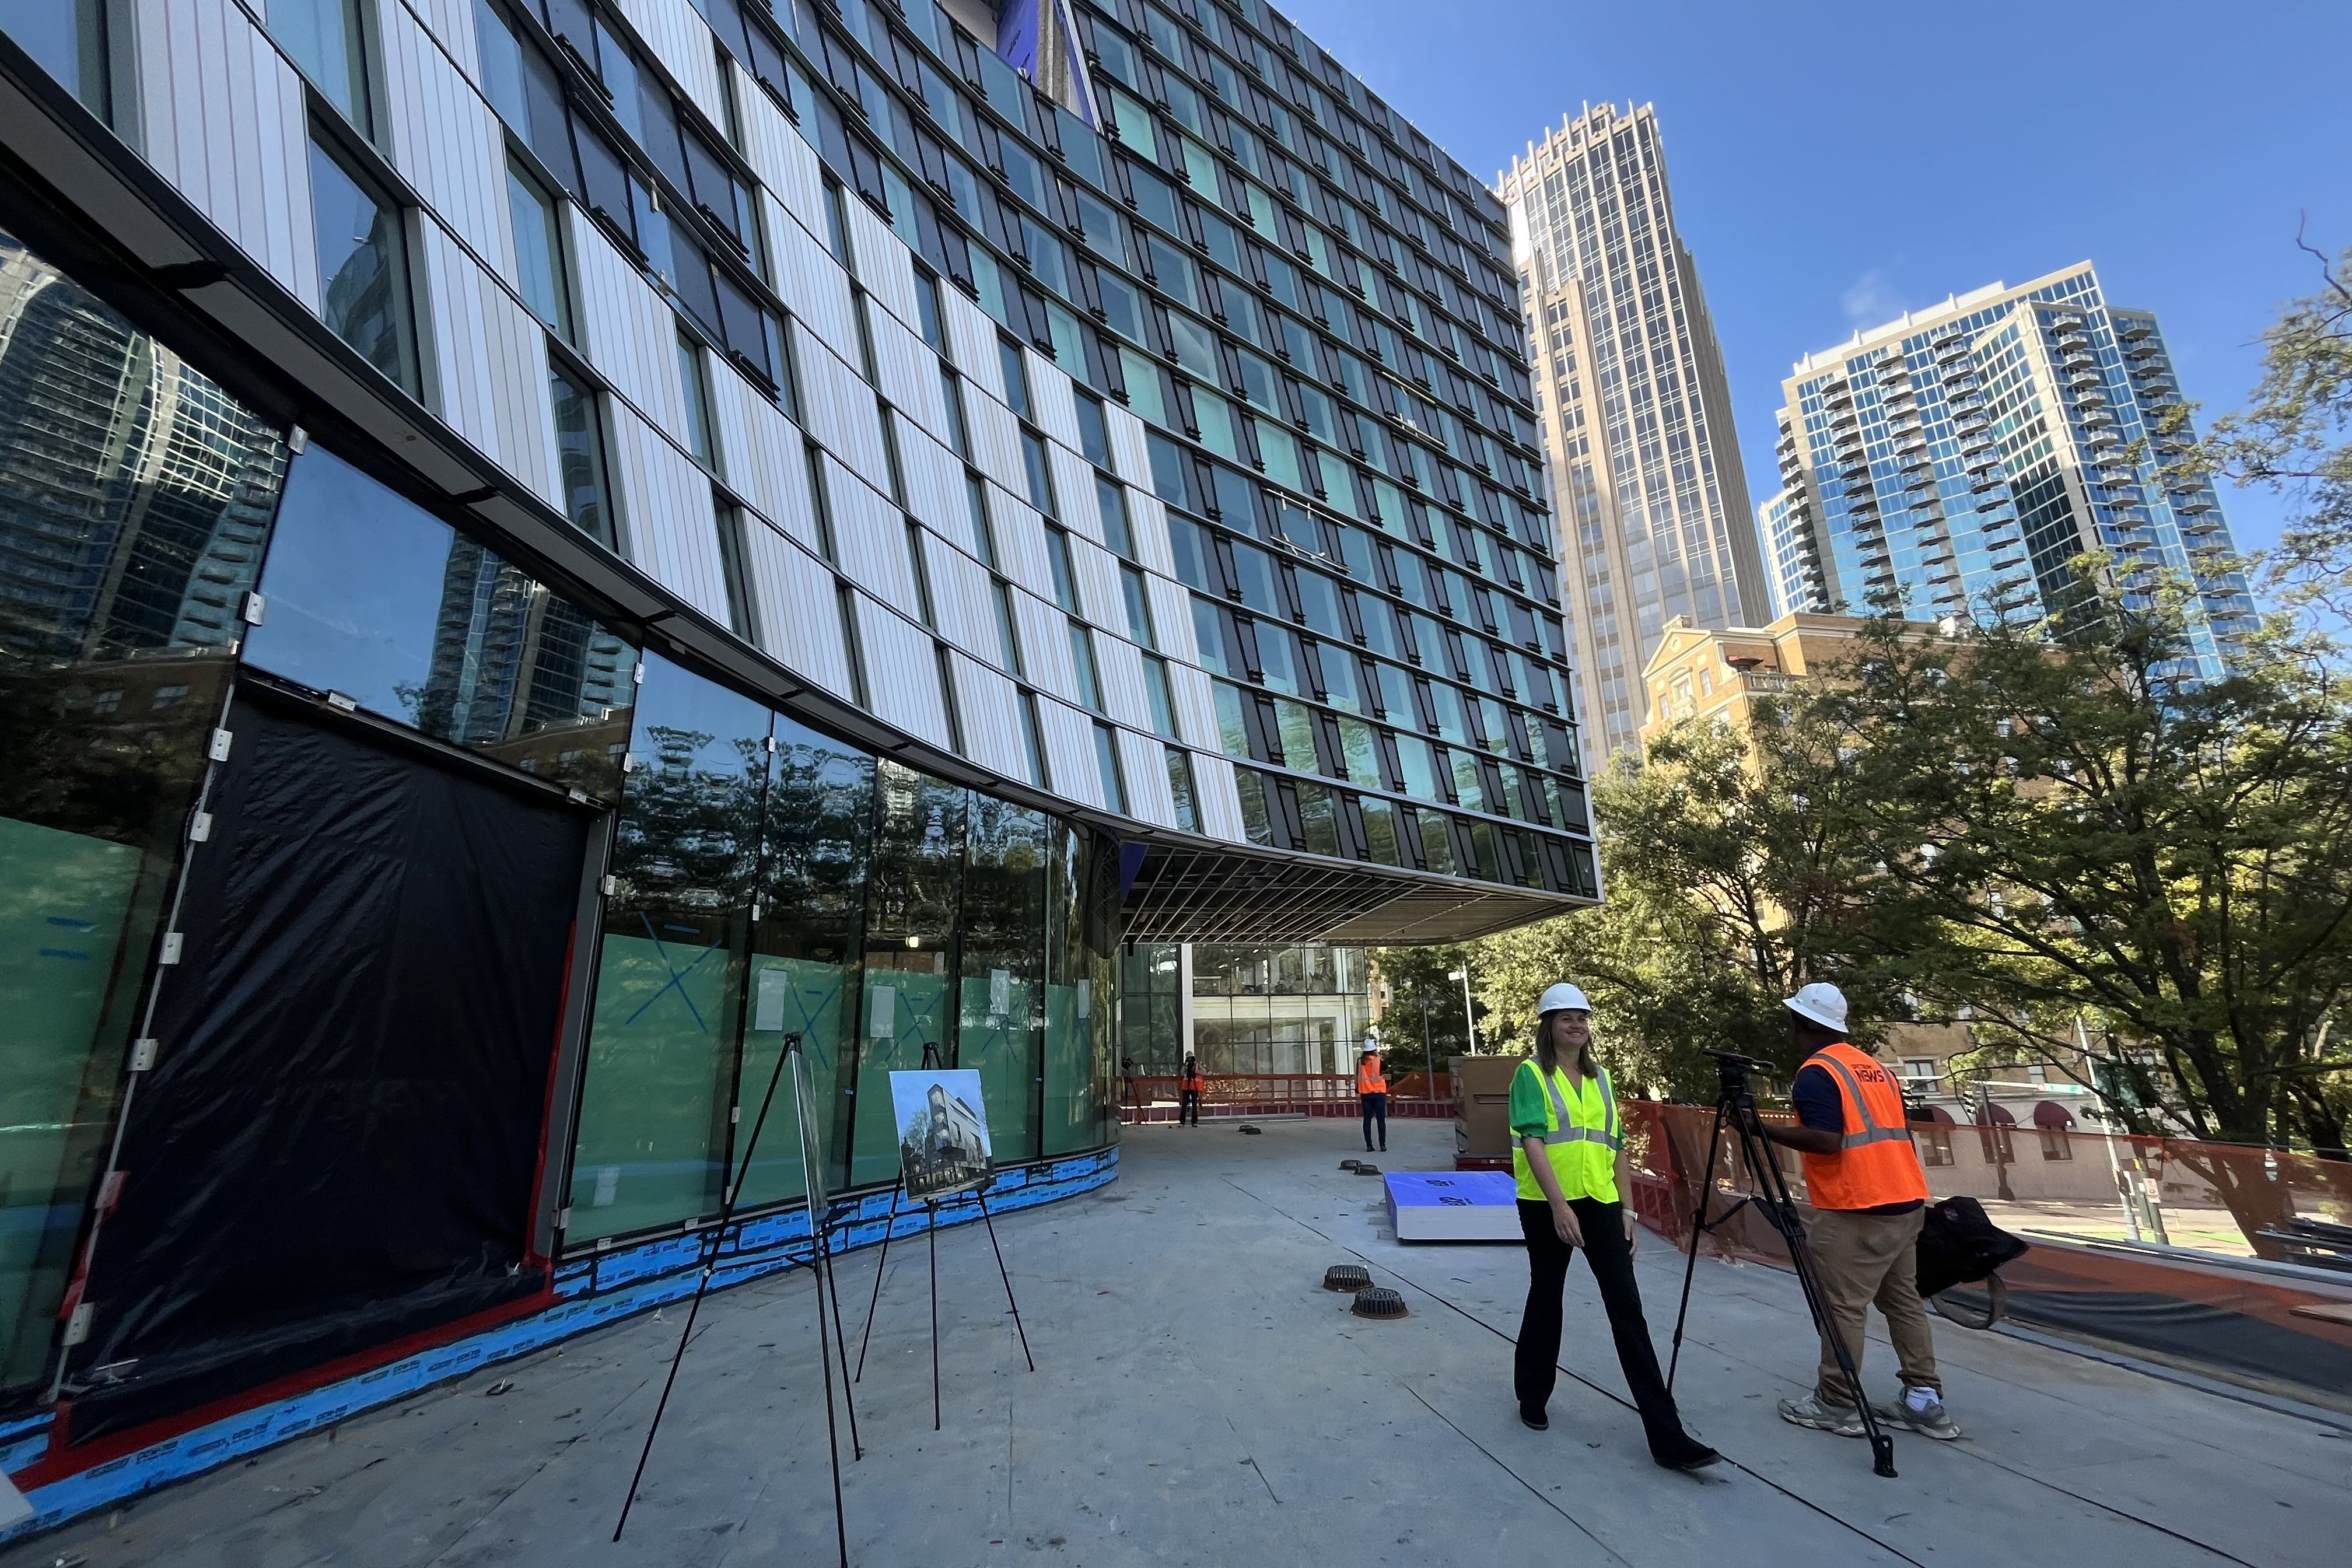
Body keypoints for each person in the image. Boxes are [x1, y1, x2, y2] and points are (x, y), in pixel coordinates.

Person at [1511, 983, 1718, 1470]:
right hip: (1547, 1204)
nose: (1577, 1025)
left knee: (1628, 1308)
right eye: (1566, 1018)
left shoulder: (1600, 1077)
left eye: (1583, 1017)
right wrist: (1560, 1207)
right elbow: (1534, 1142)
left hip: (1602, 1202)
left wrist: (1629, 1212)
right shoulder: (1530, 1074)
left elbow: (1617, 1145)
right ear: (1549, 1026)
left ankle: (1667, 1437)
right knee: (1547, 1296)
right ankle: (1532, 1395)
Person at [1761, 982, 1959, 1442]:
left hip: (1857, 1207)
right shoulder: (1874, 1068)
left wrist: (1760, 1128)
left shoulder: (1817, 1072)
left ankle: (1836, 1402)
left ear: (1806, 1024)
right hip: (1905, 1200)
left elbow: (1827, 1140)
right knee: (1903, 1302)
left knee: (1843, 1308)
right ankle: (1924, 1402)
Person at [1357, 1045, 1389, 1153]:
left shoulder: (1360, 1062)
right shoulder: (1379, 1060)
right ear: (1374, 1050)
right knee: (1381, 1120)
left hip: (1366, 1093)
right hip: (1379, 1093)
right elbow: (1386, 1070)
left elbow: (1358, 1076)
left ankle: (1369, 1146)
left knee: (1367, 1120)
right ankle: (1382, 1145)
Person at [1180, 1054, 1203, 1127]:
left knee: (1194, 1105)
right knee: (1184, 1105)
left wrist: (1196, 1071)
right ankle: (1182, 1122)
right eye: (1188, 1058)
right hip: (1186, 1087)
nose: (1190, 1060)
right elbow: (1182, 1072)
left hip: (1194, 1088)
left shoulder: (1198, 1065)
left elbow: (1204, 1072)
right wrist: (1184, 1065)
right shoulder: (1186, 1066)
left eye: (1191, 1058)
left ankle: (1194, 1122)